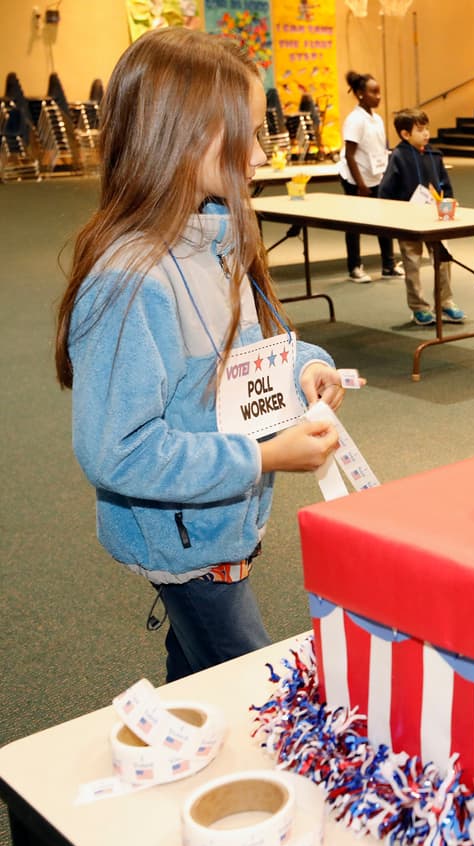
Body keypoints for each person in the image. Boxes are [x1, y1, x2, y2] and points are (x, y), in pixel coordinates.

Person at [52, 28, 350, 683]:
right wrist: (263, 457)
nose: (262, 151)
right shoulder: (132, 280)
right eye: (247, 131)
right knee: (252, 683)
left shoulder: (221, 237)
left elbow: (257, 346)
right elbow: (118, 451)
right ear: (183, 137)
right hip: (187, 545)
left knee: (197, 675)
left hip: (220, 523)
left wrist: (306, 365)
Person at [378, 107, 465, 328]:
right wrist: (394, 213)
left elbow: (445, 184)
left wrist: (449, 199)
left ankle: (445, 302)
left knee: (443, 259)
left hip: (436, 217)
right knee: (412, 263)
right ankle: (419, 307)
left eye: (426, 128)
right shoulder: (398, 156)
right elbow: (385, 190)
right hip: (408, 220)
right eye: (420, 130)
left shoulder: (435, 156)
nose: (426, 133)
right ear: (405, 134)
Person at [338, 69, 399, 283]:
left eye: (379, 92)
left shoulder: (377, 119)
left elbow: (381, 149)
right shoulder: (355, 120)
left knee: (384, 221)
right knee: (355, 224)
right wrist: (361, 185)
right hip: (356, 179)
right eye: (374, 92)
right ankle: (355, 267)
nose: (379, 96)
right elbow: (350, 155)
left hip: (376, 177)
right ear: (360, 94)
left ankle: (388, 265)